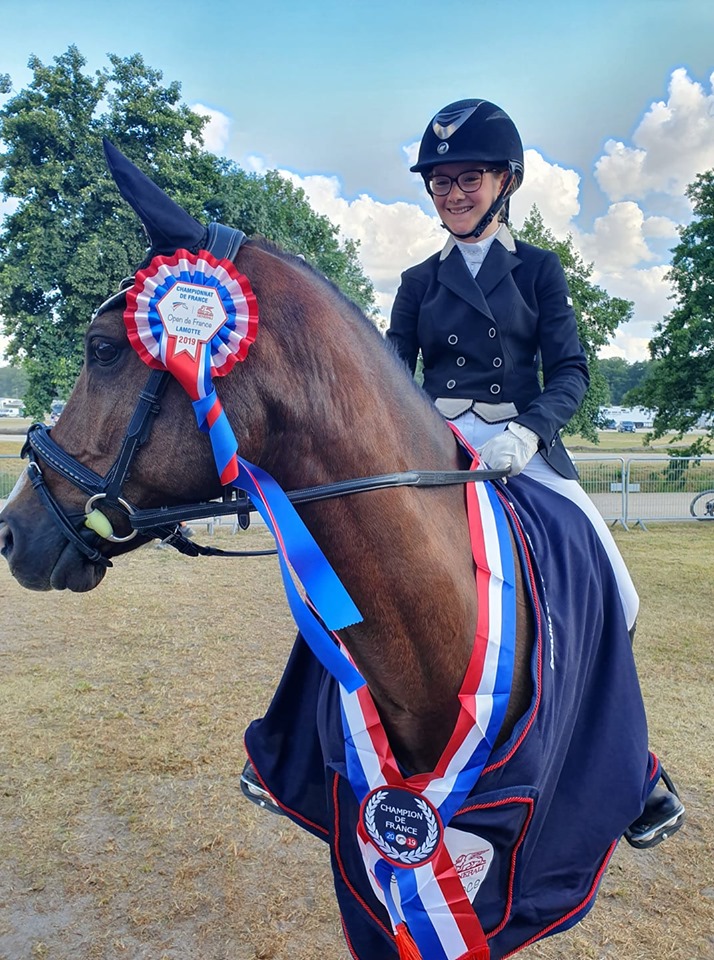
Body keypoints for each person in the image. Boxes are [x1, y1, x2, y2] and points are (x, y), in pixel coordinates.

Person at [385, 97, 684, 849]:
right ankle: (292, 745)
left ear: (505, 181)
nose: (452, 193)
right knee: (352, 570)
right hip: (437, 450)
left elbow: (573, 371)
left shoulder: (541, 271)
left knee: (619, 592)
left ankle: (632, 771)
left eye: (469, 178)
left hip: (524, 448)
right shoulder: (419, 281)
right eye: (439, 181)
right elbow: (391, 374)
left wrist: (527, 431)